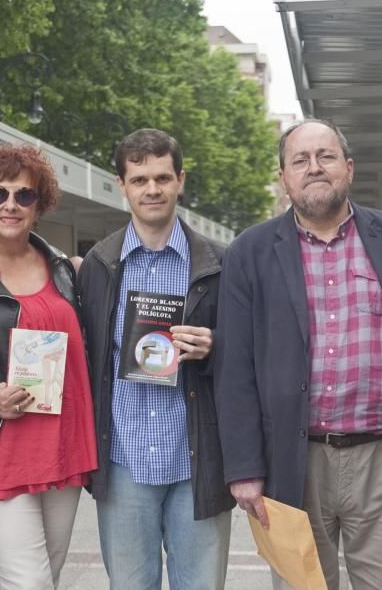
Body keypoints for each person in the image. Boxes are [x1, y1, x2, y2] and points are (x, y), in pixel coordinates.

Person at [214, 119, 382, 589]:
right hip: (291, 465)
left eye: (326, 156)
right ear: (284, 177)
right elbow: (234, 367)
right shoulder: (249, 253)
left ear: (349, 168)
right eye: (300, 160)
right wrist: (244, 469)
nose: (314, 168)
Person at [77, 128, 234, 590]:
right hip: (124, 462)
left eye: (162, 177)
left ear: (180, 181)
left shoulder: (219, 263)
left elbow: (247, 354)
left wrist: (214, 345)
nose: (152, 189)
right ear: (120, 184)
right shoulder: (98, 266)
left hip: (196, 462)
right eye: (140, 178)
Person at [0, 143, 97, 589]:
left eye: (24, 195)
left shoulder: (64, 270)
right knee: (30, 584)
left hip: (62, 446)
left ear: (39, 206)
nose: (10, 205)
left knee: (47, 576)